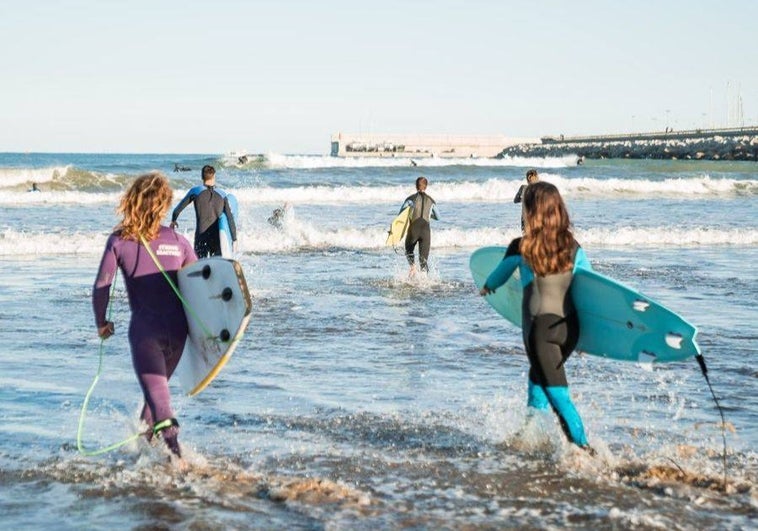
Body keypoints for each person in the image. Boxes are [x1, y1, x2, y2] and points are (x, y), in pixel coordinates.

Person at [479, 181, 593, 452]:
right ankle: (529, 437)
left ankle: (585, 450)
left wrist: (487, 287)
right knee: (538, 380)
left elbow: (497, 276)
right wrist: (589, 337)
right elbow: (590, 285)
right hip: (570, 329)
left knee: (558, 394)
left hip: (540, 331)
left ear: (531, 212)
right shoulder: (574, 247)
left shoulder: (522, 247)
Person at [92, 172, 197, 464]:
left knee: (159, 399)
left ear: (133, 201)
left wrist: (101, 322)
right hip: (179, 333)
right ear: (164, 204)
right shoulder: (179, 241)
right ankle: (143, 455)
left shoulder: (119, 241)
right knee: (156, 394)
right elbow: (200, 287)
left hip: (145, 334)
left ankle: (178, 459)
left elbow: (102, 284)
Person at [170, 165, 237, 258]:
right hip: (217, 238)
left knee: (200, 267)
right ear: (214, 176)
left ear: (202, 177)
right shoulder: (222, 194)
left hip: (201, 237)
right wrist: (234, 239)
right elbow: (230, 218)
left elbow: (177, 209)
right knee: (216, 267)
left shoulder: (195, 191)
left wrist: (173, 220)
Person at [399, 176, 439, 274]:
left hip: (413, 230)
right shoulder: (431, 201)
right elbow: (438, 217)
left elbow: (401, 214)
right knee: (423, 261)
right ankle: (425, 282)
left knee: (408, 249)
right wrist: (429, 215)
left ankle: (412, 267)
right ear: (426, 186)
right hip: (426, 231)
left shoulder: (410, 199)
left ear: (416, 186)